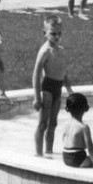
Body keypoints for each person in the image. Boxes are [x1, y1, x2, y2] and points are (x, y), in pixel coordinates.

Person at [31, 15, 72, 156]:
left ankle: (49, 152)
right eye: (53, 33)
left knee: (53, 124)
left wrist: (70, 90)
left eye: (59, 33)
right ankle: (38, 154)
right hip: (47, 88)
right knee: (43, 123)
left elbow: (63, 72)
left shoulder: (61, 50)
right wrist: (37, 97)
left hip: (58, 88)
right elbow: (36, 74)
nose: (57, 36)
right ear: (45, 33)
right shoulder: (45, 51)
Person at [58, 92, 93, 168]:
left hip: (65, 157)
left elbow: (64, 140)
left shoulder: (66, 124)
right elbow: (90, 148)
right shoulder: (84, 127)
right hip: (77, 160)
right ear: (86, 108)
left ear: (68, 109)